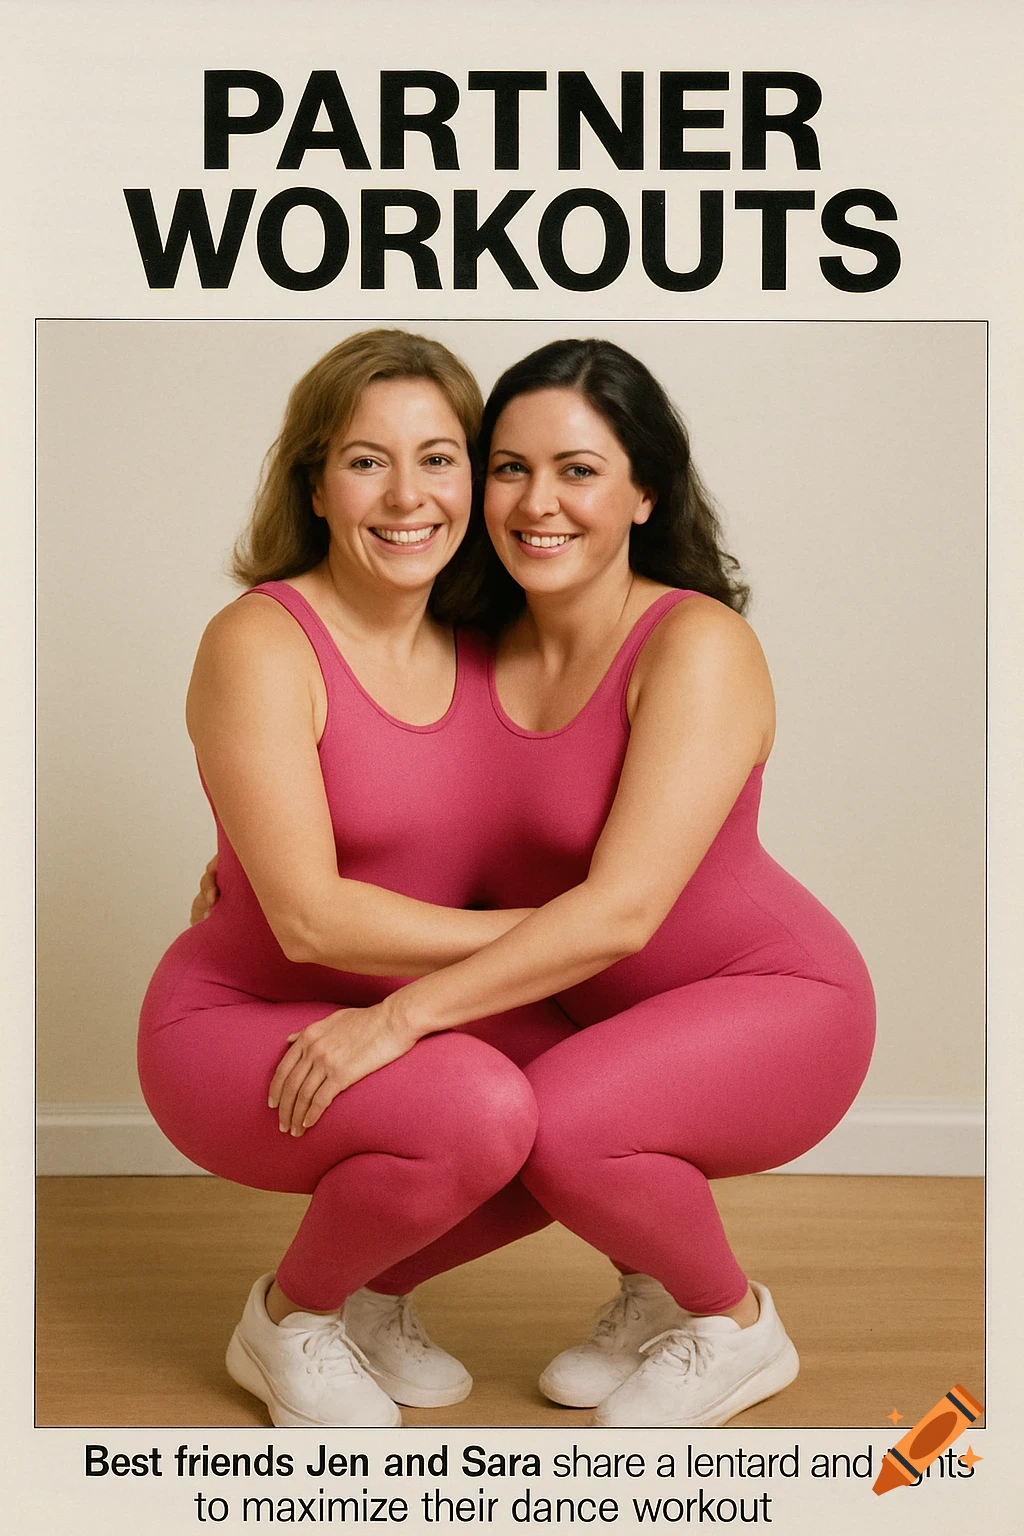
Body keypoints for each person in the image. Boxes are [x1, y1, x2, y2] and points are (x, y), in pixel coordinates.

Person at [247, 337, 876, 1430]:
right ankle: (638, 1287)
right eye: (508, 468)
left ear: (644, 492)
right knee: (489, 1116)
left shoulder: (698, 645)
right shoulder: (474, 641)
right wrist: (245, 854)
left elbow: (626, 909)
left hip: (768, 994)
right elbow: (405, 786)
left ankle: (731, 1325)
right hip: (583, 1000)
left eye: (579, 470)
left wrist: (398, 1019)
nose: (539, 501)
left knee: (560, 1121)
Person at [138, 329, 580, 1429]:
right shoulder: (261, 641)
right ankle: (287, 1318)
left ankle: (374, 1295)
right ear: (317, 484)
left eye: (439, 457)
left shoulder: (494, 646)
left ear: (477, 484)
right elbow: (305, 917)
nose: (406, 494)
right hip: (244, 1019)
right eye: (365, 459)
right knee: (483, 1107)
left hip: (402, 1012)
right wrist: (554, 932)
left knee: (592, 1095)